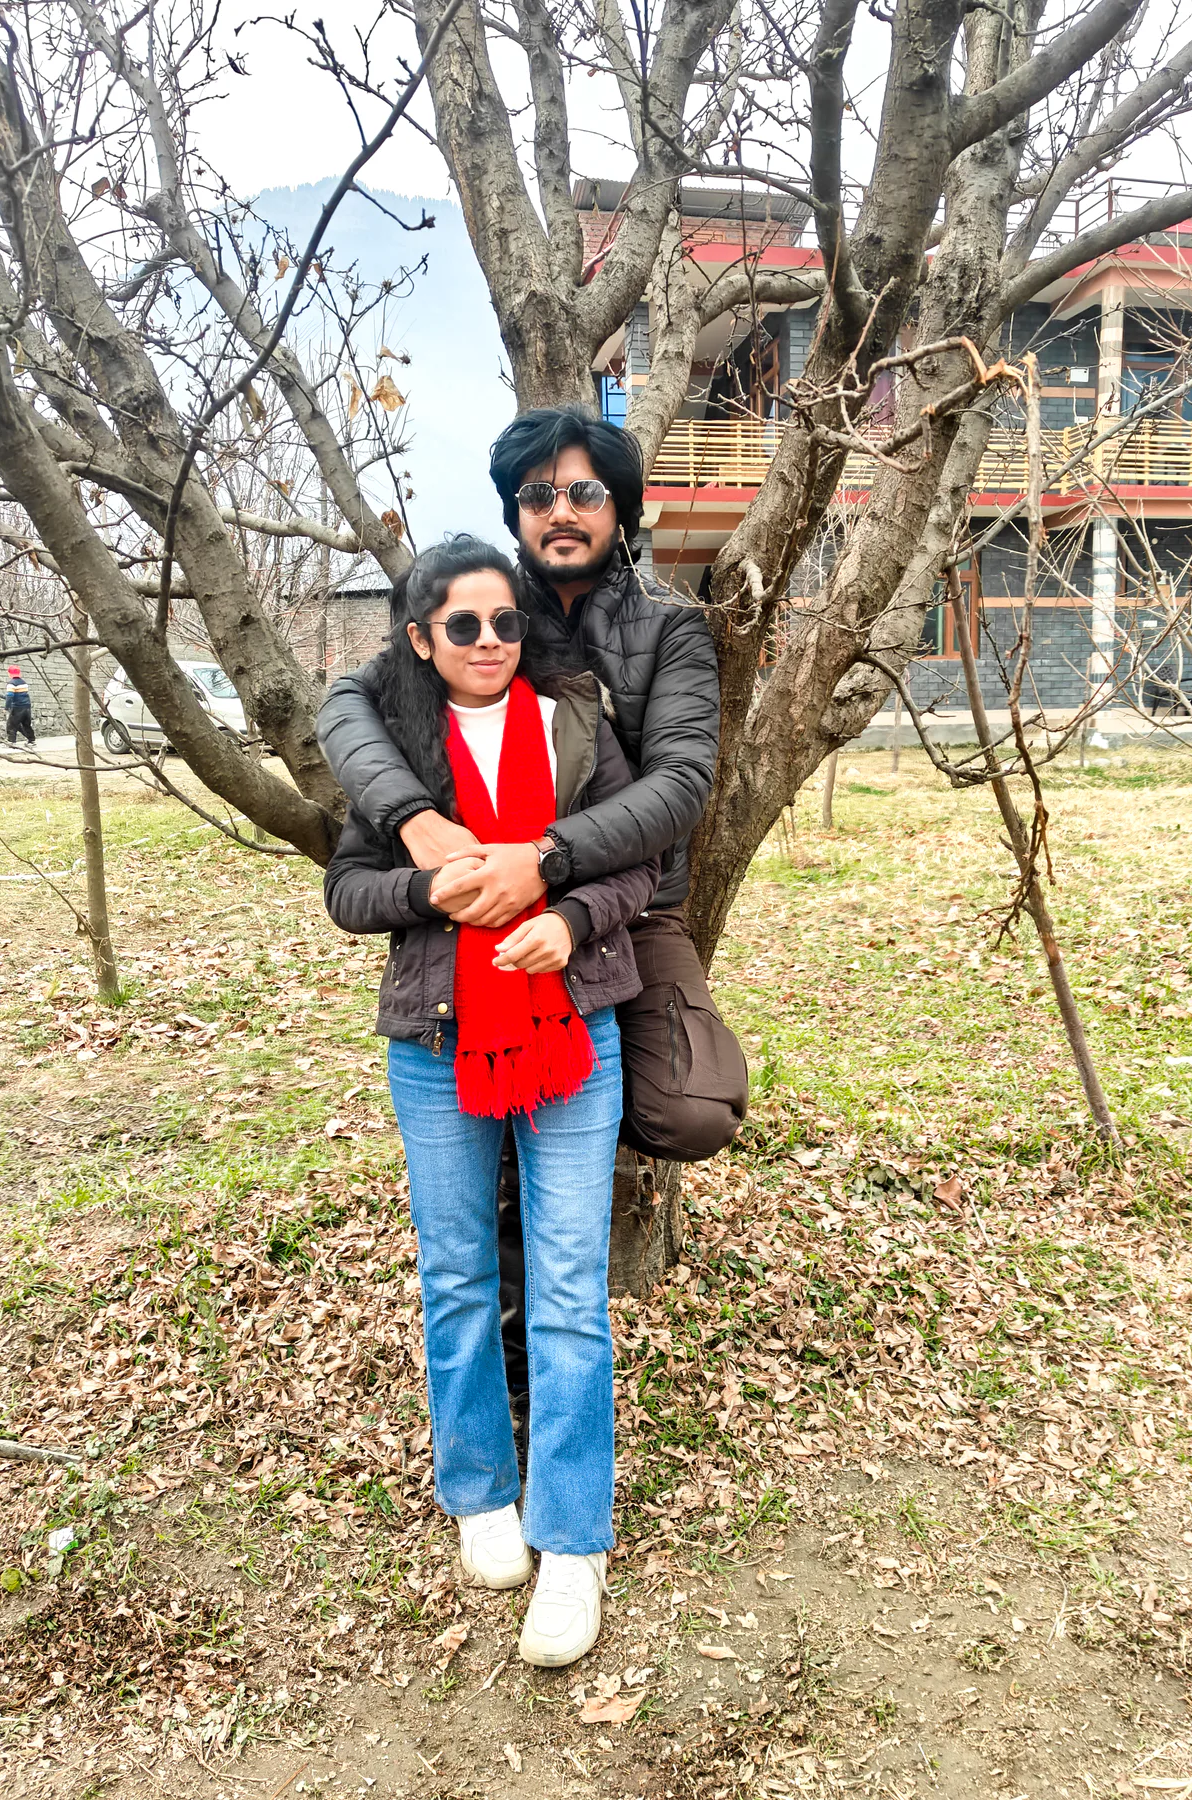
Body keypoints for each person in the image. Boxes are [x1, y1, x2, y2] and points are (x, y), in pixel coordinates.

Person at [317, 406, 748, 1441]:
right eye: (539, 495)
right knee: (481, 1182)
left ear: (621, 507)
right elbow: (346, 705)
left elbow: (681, 782)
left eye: (585, 493)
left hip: (621, 902)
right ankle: (507, 1367)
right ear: (516, 509)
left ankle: (564, 1199)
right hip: (468, 910)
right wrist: (414, 822)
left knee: (690, 1108)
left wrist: (550, 865)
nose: (561, 512)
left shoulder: (669, 627)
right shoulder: (486, 602)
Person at [324, 535, 659, 1668]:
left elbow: (638, 865)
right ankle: (478, 1490)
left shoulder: (574, 725)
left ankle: (573, 1540)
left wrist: (568, 918)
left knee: (570, 1283)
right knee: (457, 1271)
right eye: (461, 625)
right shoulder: (399, 748)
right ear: (422, 636)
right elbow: (348, 889)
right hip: (435, 1041)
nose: (487, 643)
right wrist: (427, 886)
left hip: (574, 1031)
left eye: (505, 622)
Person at [2, 666, 35, 746]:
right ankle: (31, 740)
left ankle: (11, 741)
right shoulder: (24, 683)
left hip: (17, 707)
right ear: (19, 673)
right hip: (27, 706)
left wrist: (6, 708)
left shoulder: (11, 683)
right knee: (26, 724)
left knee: (12, 724)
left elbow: (10, 696)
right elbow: (21, 695)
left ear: (9, 673)